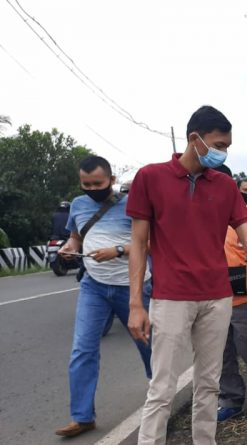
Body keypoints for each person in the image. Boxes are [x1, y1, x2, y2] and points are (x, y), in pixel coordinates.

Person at [126, 105, 247, 445]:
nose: (223, 152)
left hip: (217, 298)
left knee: (209, 384)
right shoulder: (150, 178)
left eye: (227, 146)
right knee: (162, 388)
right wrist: (136, 303)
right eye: (219, 145)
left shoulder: (224, 186)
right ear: (194, 139)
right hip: (170, 297)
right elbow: (138, 243)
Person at [55, 155, 152, 438]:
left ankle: (160, 400)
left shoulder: (133, 204)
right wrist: (69, 247)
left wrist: (117, 250)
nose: (92, 189)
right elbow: (76, 236)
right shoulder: (78, 205)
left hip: (132, 286)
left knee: (149, 346)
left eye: (98, 183)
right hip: (93, 285)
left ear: (111, 180)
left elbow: (148, 243)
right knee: (82, 349)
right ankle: (82, 416)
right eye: (86, 184)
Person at [211, 166, 247, 422]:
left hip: (243, 300)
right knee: (221, 355)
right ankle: (231, 400)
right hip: (210, 301)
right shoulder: (192, 214)